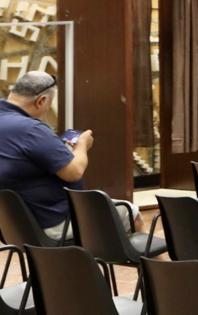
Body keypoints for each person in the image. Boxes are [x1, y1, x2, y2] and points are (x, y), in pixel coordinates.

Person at [0, 71, 141, 239]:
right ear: (41, 101)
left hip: (12, 225)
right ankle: (134, 257)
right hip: (52, 222)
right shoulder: (32, 129)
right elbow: (73, 172)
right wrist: (82, 145)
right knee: (131, 213)